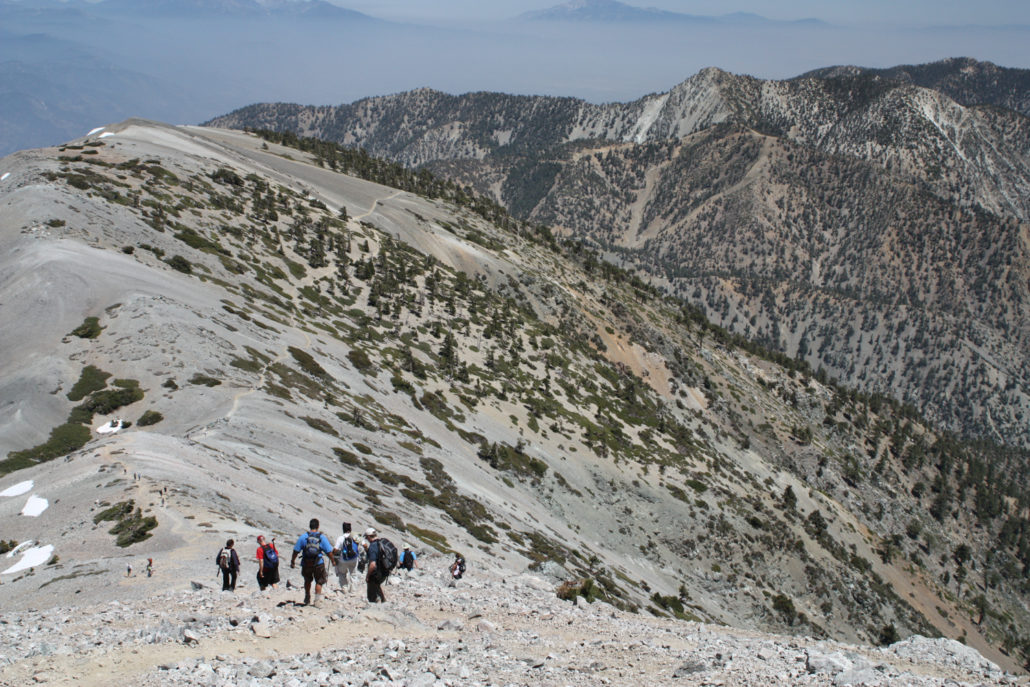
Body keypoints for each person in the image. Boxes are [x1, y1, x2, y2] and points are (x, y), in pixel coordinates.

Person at [291, 518, 333, 607]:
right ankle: (317, 601)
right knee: (319, 581)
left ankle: (307, 597)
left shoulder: (303, 537)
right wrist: (333, 561)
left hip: (306, 563)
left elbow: (296, 551)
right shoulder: (322, 537)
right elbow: (329, 552)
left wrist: (293, 561)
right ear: (318, 526)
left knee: (307, 580)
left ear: (310, 526)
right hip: (318, 563)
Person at [333, 523, 361, 592]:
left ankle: (344, 588)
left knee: (342, 573)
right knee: (353, 574)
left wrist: (333, 554)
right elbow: (362, 545)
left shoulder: (341, 538)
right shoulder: (355, 536)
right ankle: (353, 590)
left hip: (343, 559)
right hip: (354, 558)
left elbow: (335, 549)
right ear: (350, 529)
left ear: (343, 529)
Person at [364, 528, 387, 603]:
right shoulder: (381, 543)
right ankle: (383, 601)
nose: (366, 539)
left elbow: (373, 565)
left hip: (376, 573)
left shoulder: (373, 546)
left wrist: (367, 575)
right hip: (384, 572)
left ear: (369, 537)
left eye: (366, 537)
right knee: (377, 586)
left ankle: (375, 606)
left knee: (372, 594)